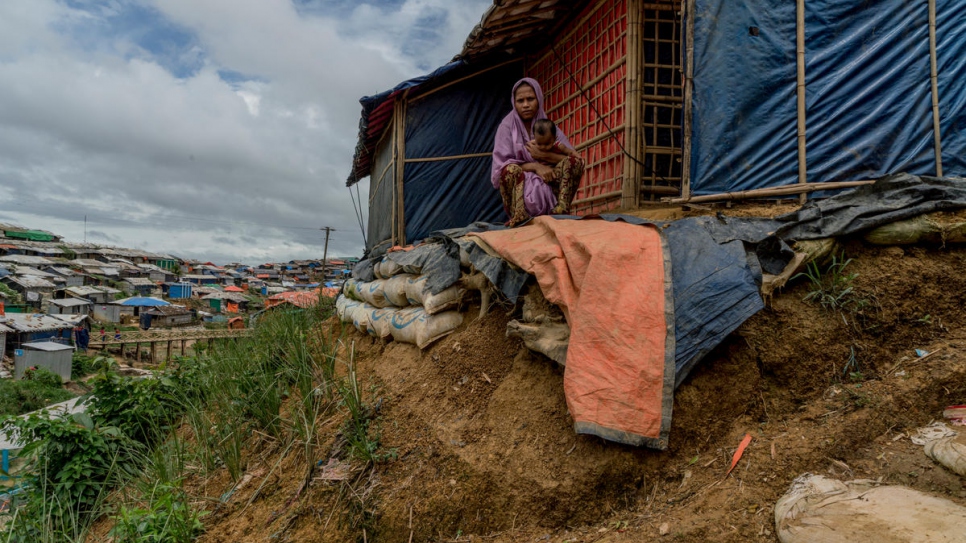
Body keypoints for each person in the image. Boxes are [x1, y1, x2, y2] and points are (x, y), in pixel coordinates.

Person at [491, 78, 585, 227]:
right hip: (520, 190)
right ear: (514, 103)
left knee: (575, 164)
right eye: (520, 101)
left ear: (539, 99)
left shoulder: (547, 126)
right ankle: (520, 215)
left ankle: (560, 211)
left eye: (530, 99)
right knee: (509, 170)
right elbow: (500, 167)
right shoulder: (506, 127)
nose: (526, 105)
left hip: (550, 180)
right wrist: (536, 166)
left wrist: (544, 156)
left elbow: (576, 158)